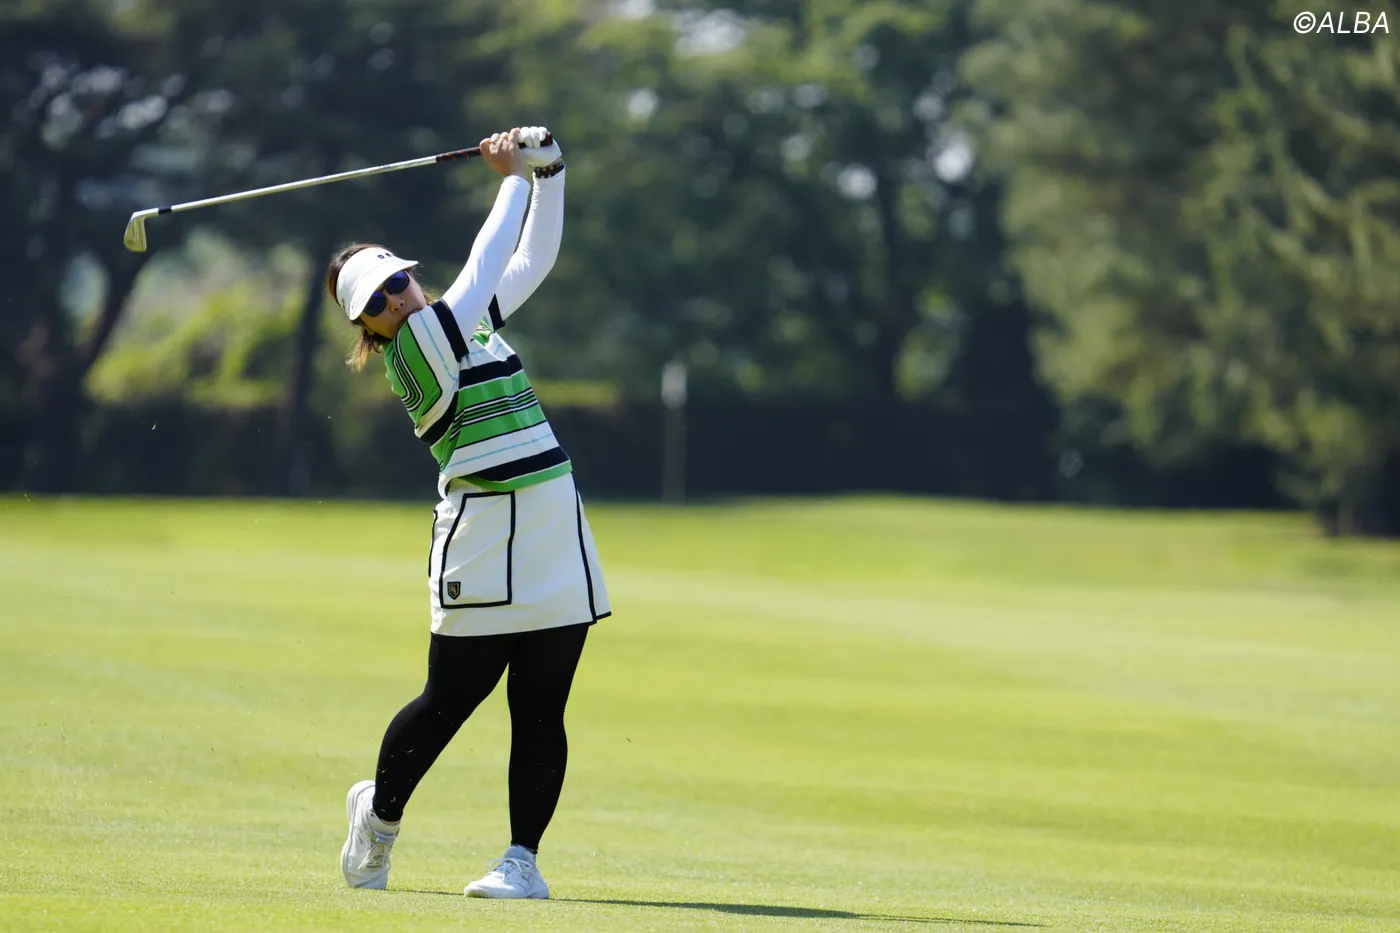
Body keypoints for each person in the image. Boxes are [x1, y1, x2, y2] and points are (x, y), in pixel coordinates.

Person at [327, 127, 608, 899]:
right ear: (369, 326)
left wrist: (550, 174)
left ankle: (523, 860)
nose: (393, 298)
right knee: (449, 702)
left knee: (541, 705)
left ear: (410, 273)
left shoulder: (467, 319)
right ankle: (380, 818)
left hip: (552, 518)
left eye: (395, 282)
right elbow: (484, 268)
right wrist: (511, 177)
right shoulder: (414, 352)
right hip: (481, 533)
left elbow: (528, 263)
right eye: (376, 302)